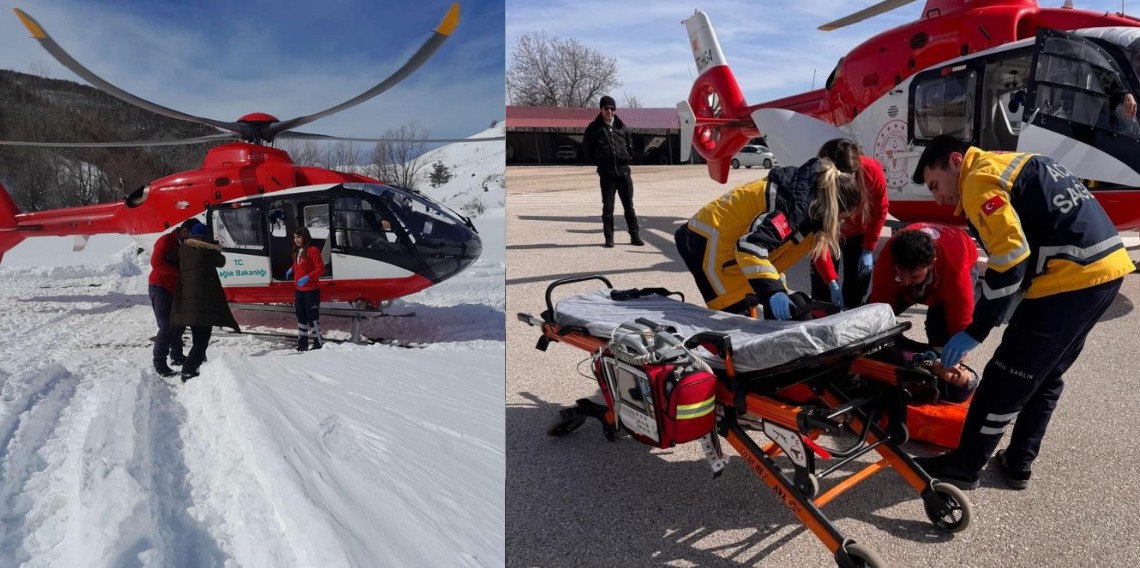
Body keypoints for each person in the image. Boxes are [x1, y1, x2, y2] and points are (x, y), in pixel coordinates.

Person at [912, 135, 1134, 490]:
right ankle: (1017, 463)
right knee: (1047, 375)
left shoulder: (978, 179)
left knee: (1003, 377)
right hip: (1107, 270)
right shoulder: (1018, 162)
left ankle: (964, 466)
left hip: (1069, 280)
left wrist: (978, 328)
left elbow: (1010, 257)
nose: (938, 198)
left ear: (956, 161)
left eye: (936, 185)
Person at [674, 155, 861, 319]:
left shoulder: (809, 199)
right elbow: (751, 247)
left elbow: (778, 244)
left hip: (724, 238)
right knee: (732, 319)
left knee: (765, 297)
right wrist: (774, 291)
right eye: (842, 218)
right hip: (707, 243)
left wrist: (778, 281)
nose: (842, 224)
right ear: (833, 208)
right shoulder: (793, 206)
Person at [867, 223, 980, 402]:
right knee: (870, 321)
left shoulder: (955, 272)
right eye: (963, 369)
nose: (905, 281)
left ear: (931, 263)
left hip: (958, 251)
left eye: (956, 375)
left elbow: (960, 323)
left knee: (940, 333)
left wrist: (958, 353)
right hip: (906, 354)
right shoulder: (890, 257)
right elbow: (878, 307)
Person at [809, 139, 889, 309]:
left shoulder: (871, 170)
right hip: (828, 232)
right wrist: (831, 280)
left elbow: (880, 209)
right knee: (822, 292)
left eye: (851, 176)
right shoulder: (816, 180)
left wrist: (868, 248)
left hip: (860, 233)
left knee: (856, 288)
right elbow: (819, 241)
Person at [169, 223, 240, 381]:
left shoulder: (183, 249)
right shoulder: (207, 249)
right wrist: (215, 247)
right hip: (203, 300)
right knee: (202, 340)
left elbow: (170, 257)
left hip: (187, 301)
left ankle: (198, 361)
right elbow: (221, 262)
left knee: (197, 336)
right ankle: (188, 368)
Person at [583, 95, 642, 248]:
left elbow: (630, 146)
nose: (609, 111)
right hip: (607, 174)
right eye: (606, 108)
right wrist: (600, 162)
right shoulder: (594, 128)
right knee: (608, 208)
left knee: (629, 206)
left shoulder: (622, 127)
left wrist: (626, 157)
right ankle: (609, 238)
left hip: (623, 173)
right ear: (601, 110)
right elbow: (587, 150)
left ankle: (635, 235)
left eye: (612, 108)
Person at [149, 218, 197, 377]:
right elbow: (156, 263)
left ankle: (176, 356)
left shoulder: (186, 243)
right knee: (166, 327)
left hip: (176, 288)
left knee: (180, 323)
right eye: (192, 236)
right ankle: (159, 364)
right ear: (185, 232)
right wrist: (179, 273)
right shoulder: (165, 241)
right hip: (160, 287)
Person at [289, 227, 326, 351]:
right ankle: (302, 342)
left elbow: (320, 269)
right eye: (295, 237)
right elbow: (300, 266)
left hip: (311, 289)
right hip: (299, 289)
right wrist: (292, 268)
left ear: (305, 237)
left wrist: (308, 277)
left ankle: (317, 342)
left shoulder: (313, 250)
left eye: (299, 237)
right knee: (301, 316)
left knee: (312, 317)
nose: (296, 240)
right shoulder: (298, 250)